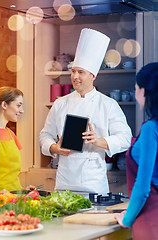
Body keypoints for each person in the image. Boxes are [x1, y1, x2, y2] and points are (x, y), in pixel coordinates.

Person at [39, 28, 132, 194]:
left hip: (94, 185)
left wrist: (98, 141)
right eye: (73, 71)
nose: (75, 76)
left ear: (93, 76)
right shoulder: (60, 103)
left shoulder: (108, 105)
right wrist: (54, 148)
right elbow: (45, 135)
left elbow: (125, 138)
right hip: (64, 184)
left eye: (81, 72)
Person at [115, 62, 158, 240]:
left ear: (144, 92)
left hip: (151, 218)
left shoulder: (151, 129)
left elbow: (142, 187)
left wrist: (126, 218)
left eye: (136, 88)